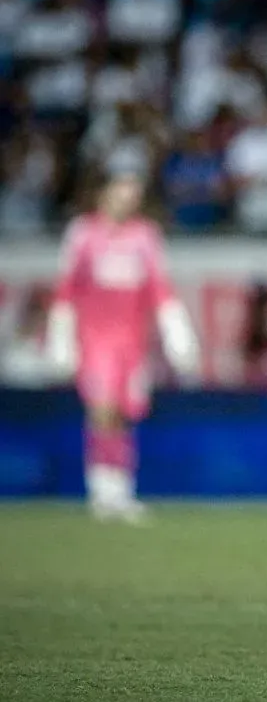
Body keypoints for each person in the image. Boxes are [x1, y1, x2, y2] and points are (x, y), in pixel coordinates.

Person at [47, 171, 198, 522]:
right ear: (104, 194)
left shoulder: (145, 236)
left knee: (124, 413)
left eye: (134, 195)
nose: (127, 200)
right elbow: (67, 288)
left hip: (132, 343)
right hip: (95, 339)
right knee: (101, 409)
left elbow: (159, 288)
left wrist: (178, 333)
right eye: (121, 192)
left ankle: (121, 489)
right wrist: (61, 337)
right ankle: (101, 489)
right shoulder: (83, 233)